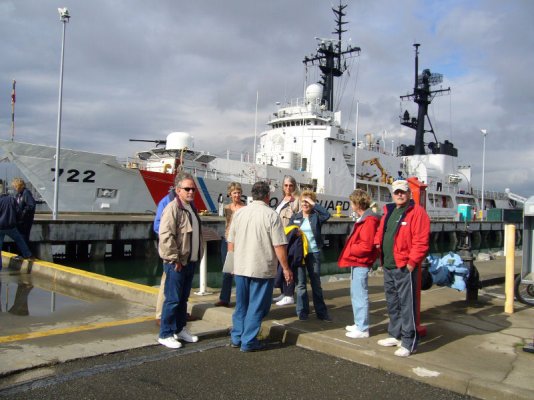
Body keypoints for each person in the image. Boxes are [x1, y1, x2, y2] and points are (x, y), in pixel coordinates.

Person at [227, 181, 293, 352]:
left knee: (241, 305)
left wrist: (231, 265)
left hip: (240, 267)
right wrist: (286, 268)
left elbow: (231, 242)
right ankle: (248, 341)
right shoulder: (271, 215)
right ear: (267, 196)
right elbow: (279, 245)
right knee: (256, 306)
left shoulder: (239, 214)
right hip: (261, 268)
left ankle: (237, 337)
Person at [374, 180, 430, 357]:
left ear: (408, 193)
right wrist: (377, 245)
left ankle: (409, 341)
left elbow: (421, 241)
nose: (399, 195)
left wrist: (412, 262)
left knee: (407, 305)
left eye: (403, 192)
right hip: (389, 265)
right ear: (392, 193)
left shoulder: (417, 212)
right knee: (392, 303)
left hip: (404, 266)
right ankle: (394, 334)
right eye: (397, 192)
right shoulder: (389, 211)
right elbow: (382, 232)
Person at [157, 172, 203, 349]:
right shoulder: (172, 208)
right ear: (178, 190)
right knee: (173, 299)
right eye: (187, 189)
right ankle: (165, 333)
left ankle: (180, 328)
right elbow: (166, 236)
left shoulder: (191, 208)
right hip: (177, 262)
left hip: (190, 262)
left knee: (183, 299)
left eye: (193, 189)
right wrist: (173, 258)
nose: (191, 192)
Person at [338, 189, 380, 339]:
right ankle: (358, 323)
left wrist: (350, 248)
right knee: (356, 293)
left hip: (361, 262)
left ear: (357, 203)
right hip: (357, 262)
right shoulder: (366, 218)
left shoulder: (369, 221)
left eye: (351, 203)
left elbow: (366, 246)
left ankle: (362, 328)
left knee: (360, 294)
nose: (350, 206)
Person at [289, 190, 332, 321]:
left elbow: (327, 215)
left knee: (316, 284)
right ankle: (302, 312)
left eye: (308, 202)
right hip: (300, 254)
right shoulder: (295, 217)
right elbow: (288, 232)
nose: (305, 204)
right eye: (303, 201)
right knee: (301, 284)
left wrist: (314, 203)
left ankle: (321, 313)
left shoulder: (316, 217)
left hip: (314, 253)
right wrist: (294, 233)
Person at [215, 182, 245, 307]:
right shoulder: (226, 208)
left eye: (238, 193)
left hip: (240, 242)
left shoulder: (245, 208)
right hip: (227, 240)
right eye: (234, 193)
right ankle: (224, 298)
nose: (237, 195)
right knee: (227, 270)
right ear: (230, 194)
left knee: (239, 271)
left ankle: (241, 298)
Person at [273, 175, 300, 306]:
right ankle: (284, 292)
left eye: (290, 185)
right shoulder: (282, 200)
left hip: (290, 237)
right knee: (281, 265)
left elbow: (300, 218)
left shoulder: (297, 201)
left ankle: (289, 294)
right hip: (280, 236)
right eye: (286, 185)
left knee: (288, 265)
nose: (288, 188)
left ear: (294, 186)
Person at [0, 193, 32, 270]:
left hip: (0, 227)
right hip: (11, 226)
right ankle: (27, 255)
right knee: (19, 240)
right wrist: (18, 220)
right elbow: (18, 211)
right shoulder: (12, 200)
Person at [11, 178, 36, 250]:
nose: (15, 188)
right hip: (20, 220)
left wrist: (23, 213)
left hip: (25, 220)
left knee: (23, 236)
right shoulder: (19, 194)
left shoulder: (26, 193)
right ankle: (22, 253)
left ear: (19, 186)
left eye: (15, 186)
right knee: (20, 237)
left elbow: (31, 205)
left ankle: (25, 253)